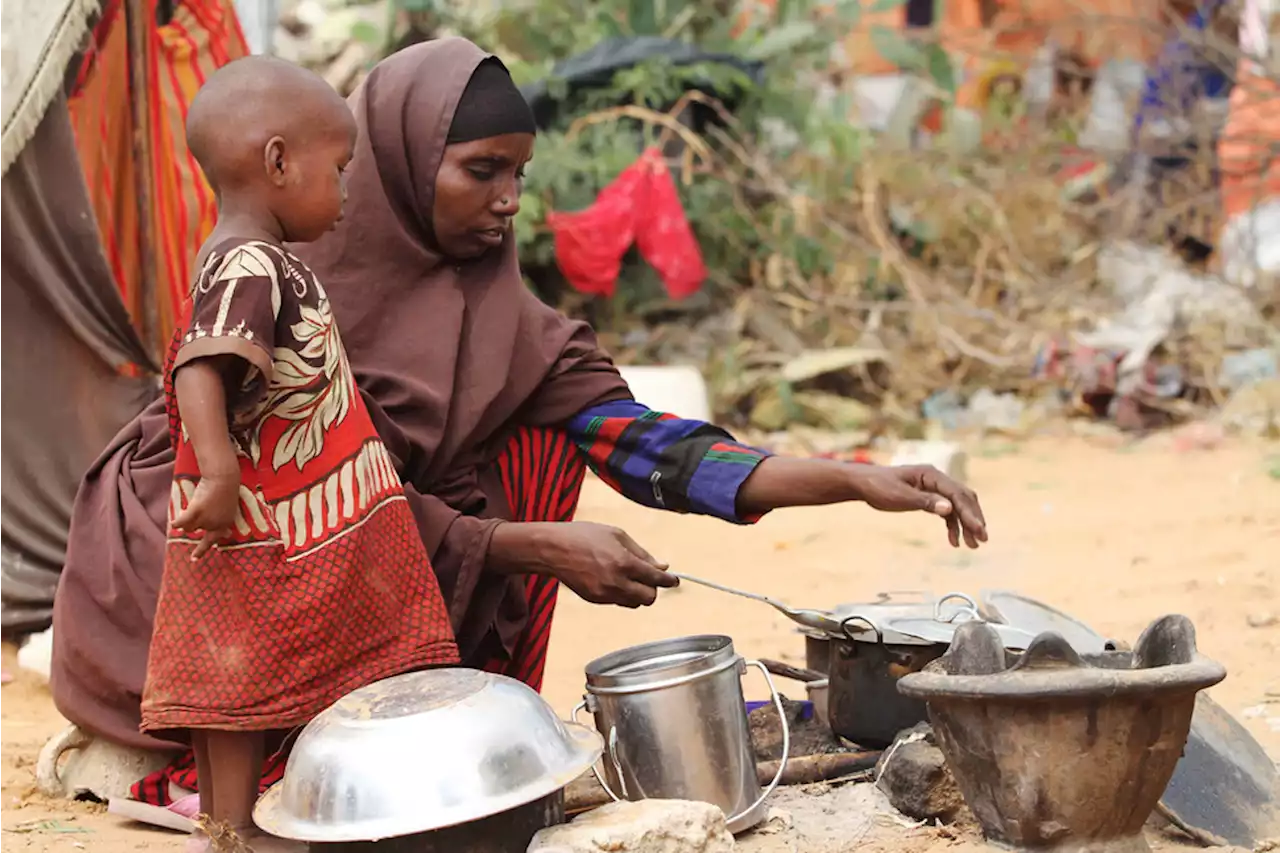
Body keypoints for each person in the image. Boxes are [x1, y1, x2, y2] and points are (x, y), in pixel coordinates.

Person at [50, 37, 987, 813]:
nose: (509, 199)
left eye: (520, 173)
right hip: (224, 544)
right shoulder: (278, 274)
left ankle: (401, 714)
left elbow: (655, 451)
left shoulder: (504, 318)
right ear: (400, 165)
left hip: (363, 547)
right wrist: (529, 545)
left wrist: (856, 479)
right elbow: (305, 490)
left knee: (542, 432)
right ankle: (214, 759)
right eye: (481, 170)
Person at [140, 56, 458, 851]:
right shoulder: (254, 262)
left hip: (248, 513)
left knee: (230, 679)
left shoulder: (246, 257)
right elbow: (201, 367)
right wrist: (216, 470)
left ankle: (224, 825)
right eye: (339, 169)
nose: (347, 192)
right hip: (266, 518)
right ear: (278, 161)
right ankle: (242, 825)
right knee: (246, 673)